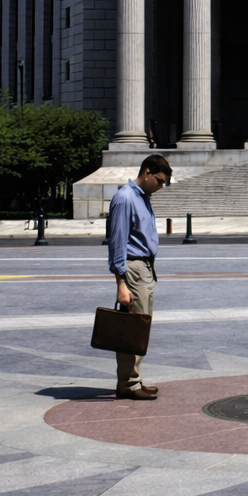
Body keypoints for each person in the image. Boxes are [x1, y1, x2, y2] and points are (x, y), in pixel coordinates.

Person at [106, 153, 171, 400]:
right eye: (161, 180)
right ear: (147, 172)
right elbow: (117, 242)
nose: (162, 186)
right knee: (133, 329)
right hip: (133, 269)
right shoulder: (125, 198)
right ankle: (129, 384)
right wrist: (121, 283)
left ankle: (133, 379)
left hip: (145, 269)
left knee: (139, 328)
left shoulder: (143, 197)